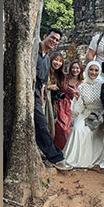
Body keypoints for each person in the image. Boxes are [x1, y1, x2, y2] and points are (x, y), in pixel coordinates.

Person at [33, 29, 72, 171]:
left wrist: (41, 99)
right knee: (42, 126)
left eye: (57, 40)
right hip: (28, 94)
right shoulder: (33, 53)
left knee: (43, 125)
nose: (54, 41)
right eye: (52, 37)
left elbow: (42, 83)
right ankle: (56, 158)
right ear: (45, 36)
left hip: (37, 96)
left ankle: (53, 156)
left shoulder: (46, 60)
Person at [62, 61, 104, 169]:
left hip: (102, 114)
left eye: (96, 70)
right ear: (87, 70)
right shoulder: (82, 86)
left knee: (101, 132)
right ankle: (76, 159)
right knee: (77, 129)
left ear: (99, 71)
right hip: (86, 113)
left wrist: (102, 116)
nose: (93, 72)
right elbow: (79, 108)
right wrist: (77, 98)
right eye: (91, 69)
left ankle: (96, 159)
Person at [49, 53, 78, 150]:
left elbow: (67, 92)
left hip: (63, 106)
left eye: (60, 61)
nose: (57, 63)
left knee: (63, 128)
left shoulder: (61, 75)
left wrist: (73, 93)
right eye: (56, 60)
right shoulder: (47, 72)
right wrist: (48, 87)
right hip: (50, 102)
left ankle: (62, 150)